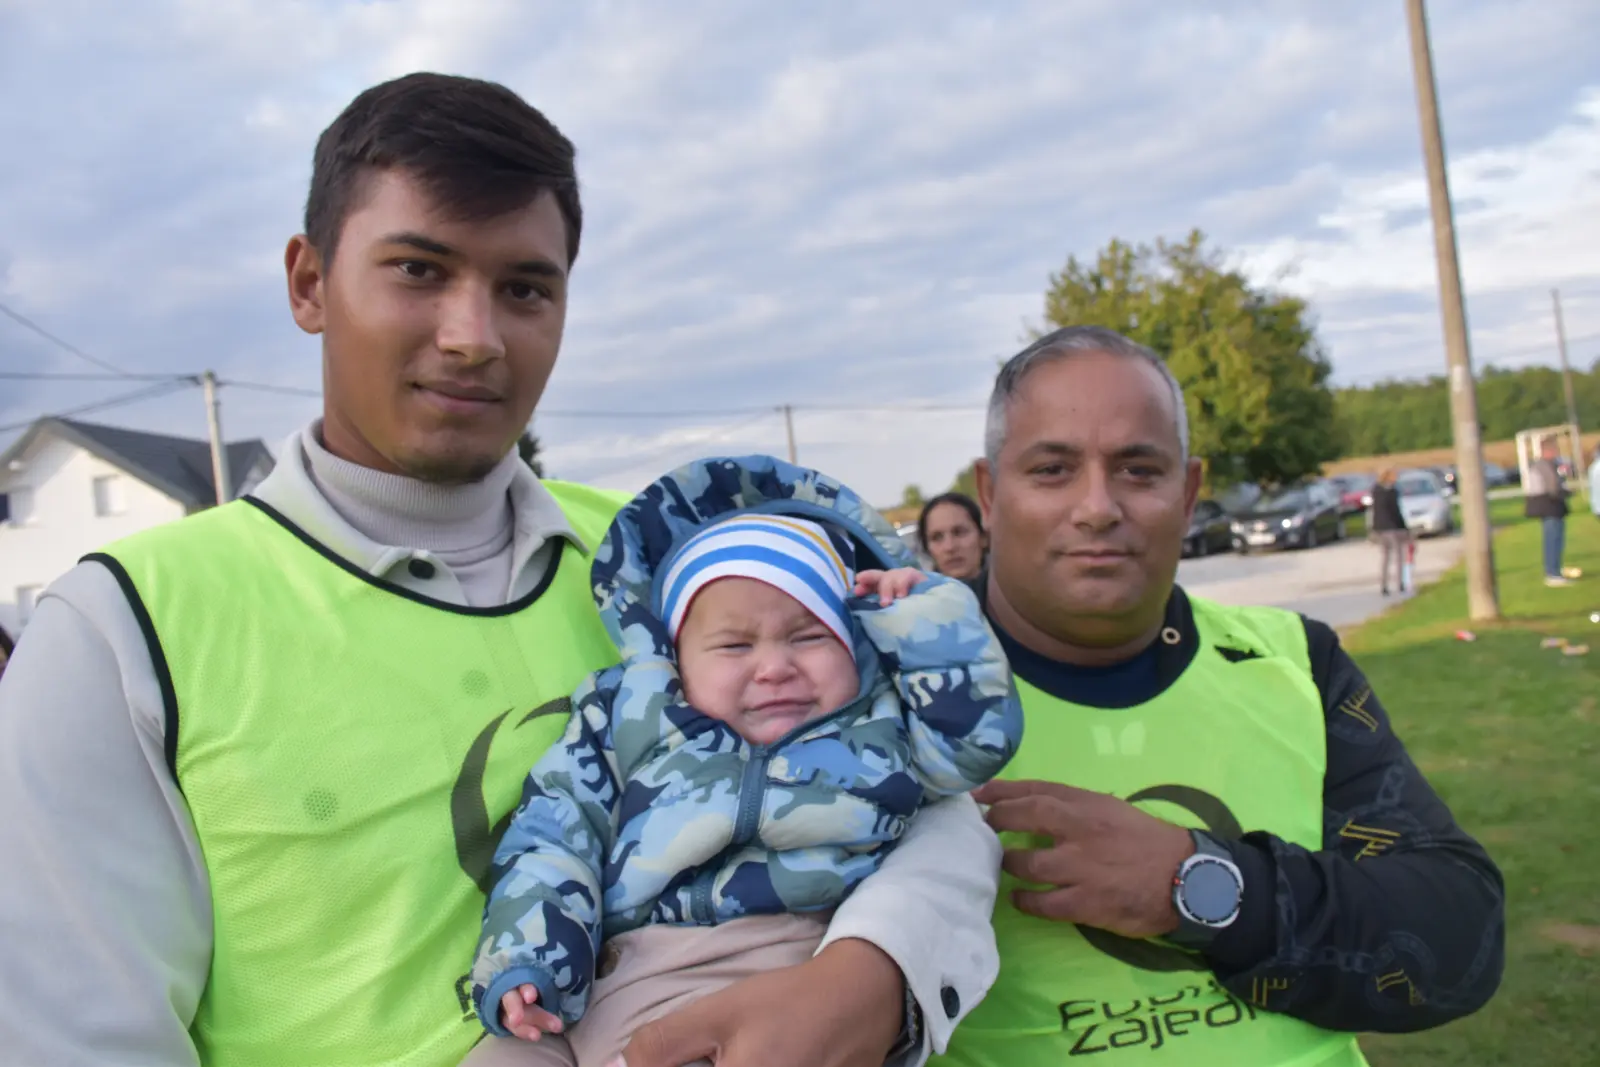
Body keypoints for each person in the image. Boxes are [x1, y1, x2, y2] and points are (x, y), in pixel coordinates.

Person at [0, 74, 1005, 1067]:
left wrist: (873, 974)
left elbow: (930, 793)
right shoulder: (118, 631)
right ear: (309, 281)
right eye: (418, 270)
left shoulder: (668, 568)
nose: (472, 336)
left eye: (524, 286)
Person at [933, 326, 1504, 1067]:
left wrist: (1197, 887)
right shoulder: (894, 693)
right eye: (1053, 469)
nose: (1098, 506)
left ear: (1190, 491)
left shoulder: (1296, 661)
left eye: (1139, 469)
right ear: (989, 492)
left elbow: (1460, 942)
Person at [466, 457, 1023, 1066]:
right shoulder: (624, 713)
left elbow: (973, 751)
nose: (774, 667)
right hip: (615, 973)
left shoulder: (882, 720)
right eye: (734, 645)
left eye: (810, 636)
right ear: (676, 654)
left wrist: (923, 625)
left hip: (794, 959)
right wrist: (529, 957)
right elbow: (556, 830)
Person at [1524, 436, 1573, 587]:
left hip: (1549, 506)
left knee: (1554, 539)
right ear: (1549, 450)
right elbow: (1552, 487)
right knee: (1553, 540)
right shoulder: (1544, 465)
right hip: (1549, 506)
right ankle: (1553, 573)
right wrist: (1566, 492)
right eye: (1556, 449)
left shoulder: (1543, 464)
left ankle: (1554, 570)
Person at [917, 492, 987, 581]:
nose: (949, 547)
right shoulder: (919, 594)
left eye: (959, 532)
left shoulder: (1007, 590)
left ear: (983, 537)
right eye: (937, 537)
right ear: (927, 548)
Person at [1367, 467, 1411, 596]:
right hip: (1391, 527)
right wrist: (1404, 527)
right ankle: (1400, 583)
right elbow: (1395, 511)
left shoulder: (1376, 490)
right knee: (1398, 556)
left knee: (1385, 557)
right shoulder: (1391, 491)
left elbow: (1375, 511)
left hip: (1380, 528)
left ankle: (1384, 584)